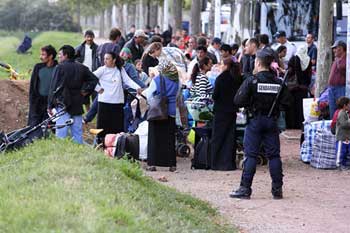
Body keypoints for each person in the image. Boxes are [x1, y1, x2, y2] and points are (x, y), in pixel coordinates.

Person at [229, 49, 290, 199]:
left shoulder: (252, 80)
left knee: (250, 155)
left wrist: (251, 102)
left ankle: (245, 189)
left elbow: (238, 100)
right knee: (274, 156)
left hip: (255, 121)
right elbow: (288, 102)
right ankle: (277, 190)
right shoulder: (278, 82)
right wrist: (276, 107)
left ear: (257, 62)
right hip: (271, 121)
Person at [48, 45, 98, 144]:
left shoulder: (60, 67)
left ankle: (59, 156)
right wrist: (85, 91)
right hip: (77, 102)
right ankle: (78, 156)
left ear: (66, 55)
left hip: (63, 104)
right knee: (77, 133)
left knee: (61, 134)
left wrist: (50, 104)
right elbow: (94, 79)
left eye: (60, 55)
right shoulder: (82, 67)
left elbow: (53, 87)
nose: (59, 57)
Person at [93, 52, 141, 141]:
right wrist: (98, 88)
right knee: (103, 126)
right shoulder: (102, 70)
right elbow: (90, 78)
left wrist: (138, 87)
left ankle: (116, 144)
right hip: (104, 102)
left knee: (116, 126)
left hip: (117, 102)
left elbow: (128, 81)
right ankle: (100, 142)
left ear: (114, 60)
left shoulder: (120, 69)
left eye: (107, 59)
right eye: (104, 59)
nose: (105, 61)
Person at [144, 59, 179, 172]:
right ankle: (171, 164)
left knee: (154, 138)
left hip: (157, 111)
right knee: (169, 139)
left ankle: (152, 164)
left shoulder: (157, 80)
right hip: (171, 112)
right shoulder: (177, 80)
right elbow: (177, 95)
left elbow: (149, 95)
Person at [211, 57, 242, 170]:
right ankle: (228, 163)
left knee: (218, 137)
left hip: (220, 111)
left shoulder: (220, 78)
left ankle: (216, 163)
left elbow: (215, 96)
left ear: (225, 66)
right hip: (232, 111)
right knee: (230, 137)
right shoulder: (237, 78)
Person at [28, 45, 58, 127]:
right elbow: (32, 86)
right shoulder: (38, 67)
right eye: (41, 54)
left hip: (52, 103)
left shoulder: (58, 68)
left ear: (51, 56)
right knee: (33, 126)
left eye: (43, 55)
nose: (40, 57)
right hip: (38, 102)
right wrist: (32, 101)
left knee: (50, 127)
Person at [285, 45, 312, 129]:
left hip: (293, 88)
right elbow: (309, 75)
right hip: (303, 88)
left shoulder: (293, 58)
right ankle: (300, 124)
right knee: (301, 108)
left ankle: (291, 124)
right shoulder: (308, 60)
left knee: (292, 107)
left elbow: (289, 72)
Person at [75, 30, 100, 111]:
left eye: (91, 37)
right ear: (84, 37)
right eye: (87, 37)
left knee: (95, 94)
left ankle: (94, 112)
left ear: (93, 37)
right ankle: (88, 112)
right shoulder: (79, 48)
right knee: (84, 96)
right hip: (83, 74)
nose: (89, 39)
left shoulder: (97, 48)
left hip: (94, 73)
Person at [328, 40, 347, 118]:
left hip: (340, 87)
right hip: (332, 88)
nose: (334, 50)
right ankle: (333, 128)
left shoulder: (346, 59)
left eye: (336, 48)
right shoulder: (336, 59)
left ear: (341, 48)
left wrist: (340, 59)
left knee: (340, 110)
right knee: (332, 109)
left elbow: (343, 68)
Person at [335, 97, 350, 170]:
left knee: (345, 152)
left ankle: (344, 164)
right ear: (345, 105)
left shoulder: (345, 113)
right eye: (349, 104)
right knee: (340, 151)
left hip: (346, 137)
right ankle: (338, 164)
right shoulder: (341, 113)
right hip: (341, 137)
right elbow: (344, 124)